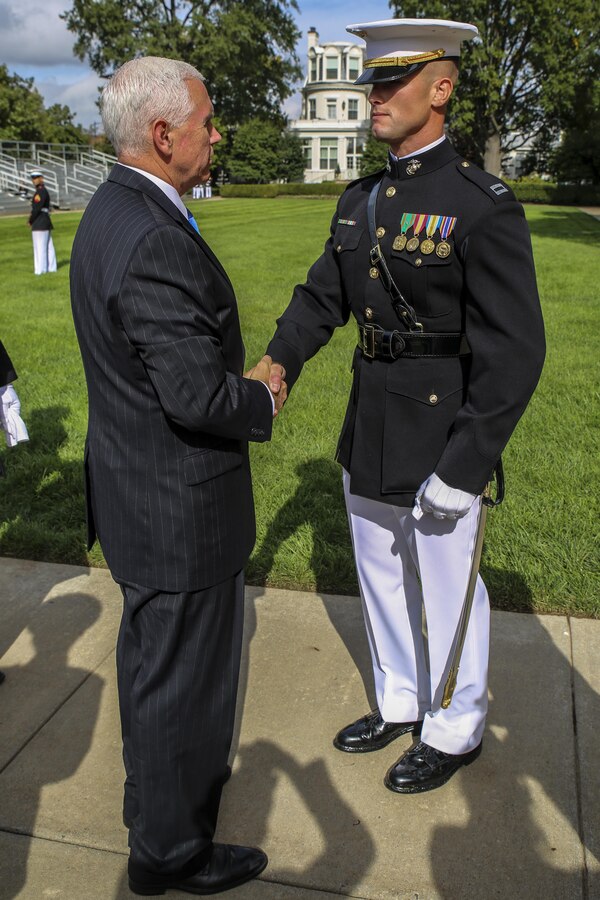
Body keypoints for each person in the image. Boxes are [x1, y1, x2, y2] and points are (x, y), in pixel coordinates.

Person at [263, 19, 545, 794]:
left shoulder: (480, 205)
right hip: (373, 417)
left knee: (449, 587)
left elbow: (516, 353)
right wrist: (276, 362)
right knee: (380, 572)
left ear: (441, 88)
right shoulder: (364, 198)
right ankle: (398, 698)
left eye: (392, 81)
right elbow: (322, 297)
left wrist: (468, 462)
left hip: (441, 425)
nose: (374, 95)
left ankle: (454, 726)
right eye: (371, 81)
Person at [70, 57, 286, 895]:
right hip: (177, 512)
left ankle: (154, 821)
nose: (217, 134)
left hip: (139, 497)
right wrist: (260, 398)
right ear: (164, 136)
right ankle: (171, 854)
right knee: (184, 698)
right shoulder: (154, 233)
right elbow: (195, 393)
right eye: (207, 122)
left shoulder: (116, 209)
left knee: (156, 680)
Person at [28, 171, 57, 275]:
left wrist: (31, 220)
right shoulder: (43, 191)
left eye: (36, 178)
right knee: (49, 246)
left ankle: (40, 270)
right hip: (45, 220)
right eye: (33, 178)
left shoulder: (40, 192)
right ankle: (52, 268)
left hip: (39, 221)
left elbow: (36, 208)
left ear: (41, 178)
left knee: (40, 247)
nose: (34, 180)